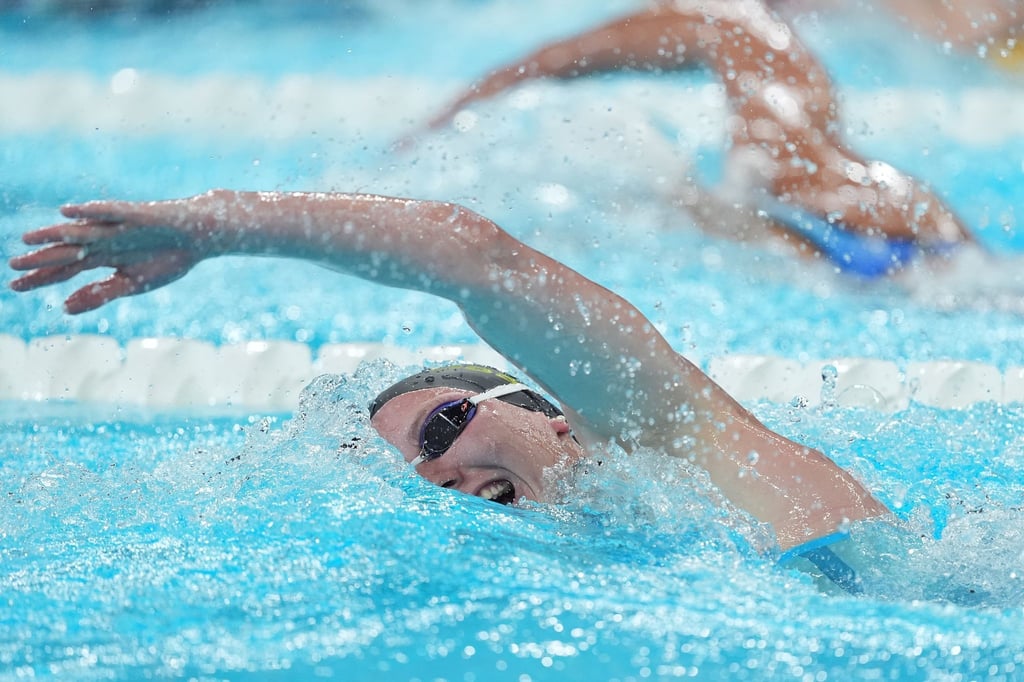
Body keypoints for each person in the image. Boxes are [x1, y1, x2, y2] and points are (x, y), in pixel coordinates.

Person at [9, 189, 890, 593]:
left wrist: (216, 226)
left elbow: (473, 255)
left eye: (440, 430)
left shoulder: (682, 445)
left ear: (559, 418)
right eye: (409, 474)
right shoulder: (588, 589)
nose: (432, 475)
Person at [407, 0, 976, 278]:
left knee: (661, 201)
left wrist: (432, 130)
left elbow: (549, 61)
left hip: (842, 228)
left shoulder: (732, 18)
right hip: (906, 229)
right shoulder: (772, 48)